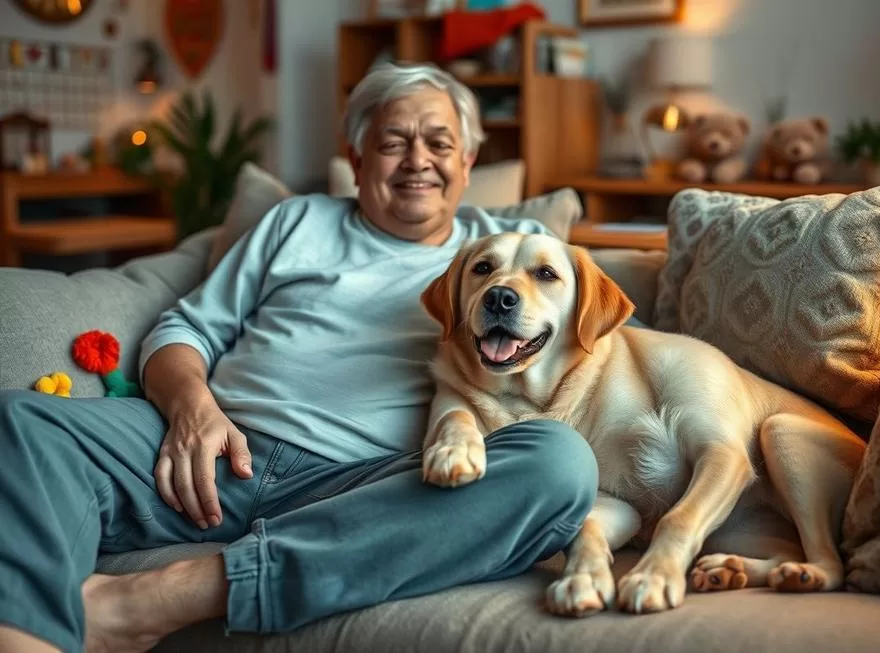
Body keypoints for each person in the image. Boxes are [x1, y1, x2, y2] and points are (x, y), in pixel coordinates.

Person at [0, 63, 598, 653]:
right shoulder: (296, 220)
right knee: (22, 424)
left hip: (368, 486)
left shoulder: (511, 259)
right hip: (212, 449)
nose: (418, 160)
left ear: (467, 163)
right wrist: (193, 411)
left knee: (559, 465)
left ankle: (156, 600)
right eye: (393, 142)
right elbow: (183, 330)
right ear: (358, 160)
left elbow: (610, 349)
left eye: (440, 143)